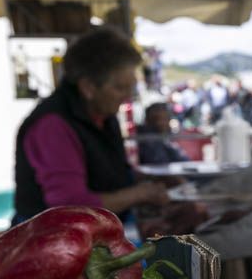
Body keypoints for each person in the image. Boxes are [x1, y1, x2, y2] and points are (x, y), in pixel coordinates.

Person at [13, 28, 168, 224]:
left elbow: (110, 173)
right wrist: (140, 194)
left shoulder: (102, 114)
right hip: (49, 242)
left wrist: (152, 180)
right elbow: (70, 205)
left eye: (131, 87)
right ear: (88, 88)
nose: (127, 96)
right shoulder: (53, 126)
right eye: (119, 88)